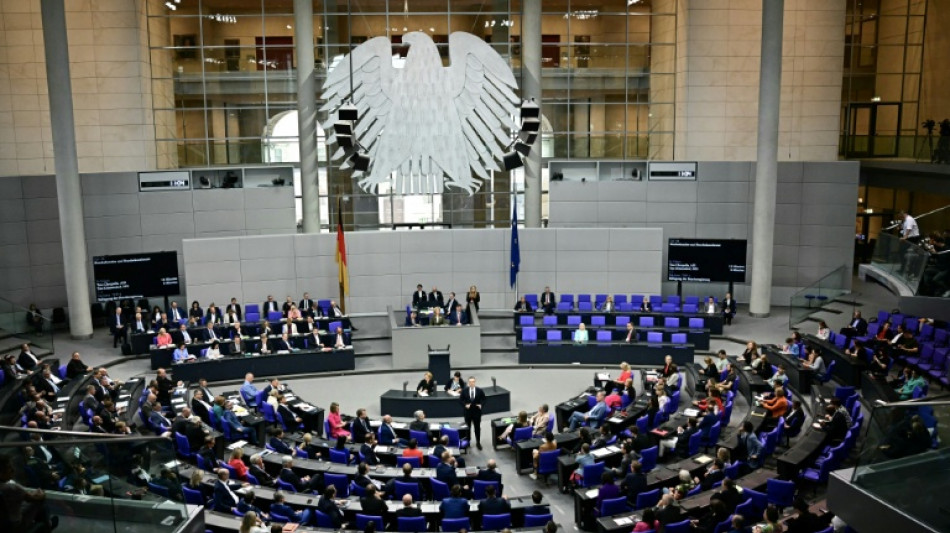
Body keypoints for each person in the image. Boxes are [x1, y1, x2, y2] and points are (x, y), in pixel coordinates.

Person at [0, 454, 57, 533]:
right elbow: (35, 498)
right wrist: (41, 493)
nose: (13, 470)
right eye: (9, 468)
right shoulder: (12, 488)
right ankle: (48, 526)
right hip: (15, 525)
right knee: (41, 502)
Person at [461, 376, 486, 449]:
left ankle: (478, 442)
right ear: (468, 383)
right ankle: (468, 442)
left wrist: (481, 405)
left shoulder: (479, 390)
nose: (471, 383)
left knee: (477, 428)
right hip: (468, 412)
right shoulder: (464, 390)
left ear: (475, 382)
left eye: (473, 382)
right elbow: (460, 400)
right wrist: (465, 405)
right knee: (468, 428)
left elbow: (484, 399)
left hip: (476, 412)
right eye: (470, 382)